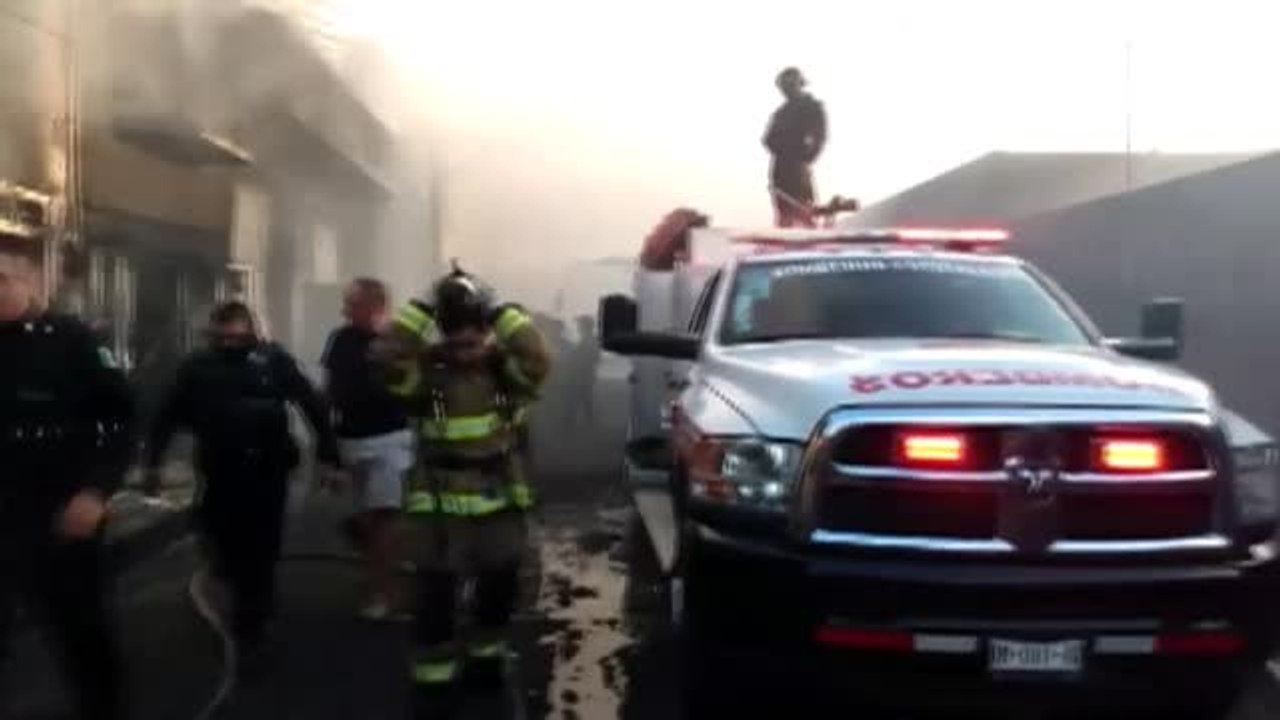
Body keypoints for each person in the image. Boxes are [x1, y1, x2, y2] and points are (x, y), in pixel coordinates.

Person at [375, 266, 550, 711]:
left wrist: (500, 310)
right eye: (454, 341)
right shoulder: (423, 375)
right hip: (438, 505)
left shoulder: (507, 374)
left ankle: (485, 662)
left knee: (499, 588)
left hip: (499, 499)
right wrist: (421, 309)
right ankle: (434, 679)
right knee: (434, 597)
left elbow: (537, 358)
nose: (464, 352)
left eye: (473, 342)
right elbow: (385, 356)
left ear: (486, 336)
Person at [144, 300, 341, 671]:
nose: (231, 341)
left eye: (238, 333)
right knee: (223, 541)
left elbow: (311, 404)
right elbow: (166, 416)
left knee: (261, 551)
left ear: (250, 330)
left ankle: (253, 625)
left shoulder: (274, 362)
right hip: (220, 471)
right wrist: (152, 464)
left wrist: (330, 455)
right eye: (224, 334)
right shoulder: (196, 368)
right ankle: (237, 586)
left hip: (267, 470)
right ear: (214, 333)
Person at [0, 250, 135, 720]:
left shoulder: (74, 342)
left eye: (3, 280)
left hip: (63, 510)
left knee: (82, 630)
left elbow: (121, 424)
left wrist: (96, 491)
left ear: (35, 279)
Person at [321, 278, 413, 620]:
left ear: (375, 306)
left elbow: (421, 387)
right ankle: (377, 563)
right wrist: (326, 446)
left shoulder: (401, 339)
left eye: (352, 304)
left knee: (385, 517)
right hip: (350, 440)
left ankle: (381, 592)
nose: (345, 310)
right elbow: (329, 391)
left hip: (390, 440)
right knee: (361, 520)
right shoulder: (341, 340)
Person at [763, 66, 828, 227]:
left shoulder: (811, 106)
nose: (785, 90)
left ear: (798, 84)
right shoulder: (781, 113)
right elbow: (768, 140)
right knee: (784, 216)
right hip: (780, 169)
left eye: (789, 85)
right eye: (783, 87)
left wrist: (807, 156)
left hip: (798, 169)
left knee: (803, 212)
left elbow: (820, 136)